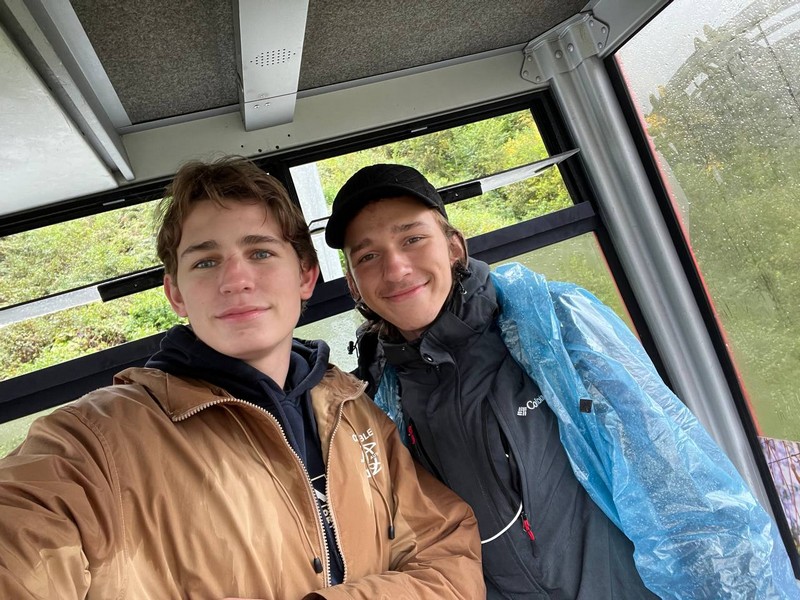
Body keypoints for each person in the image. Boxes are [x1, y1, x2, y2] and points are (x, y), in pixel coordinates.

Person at [0, 157, 485, 599]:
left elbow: (449, 554)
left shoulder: (354, 411)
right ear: (176, 294)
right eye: (205, 262)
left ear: (305, 276)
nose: (235, 280)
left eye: (260, 253)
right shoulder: (95, 443)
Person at [324, 163, 800, 599]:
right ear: (354, 284)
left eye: (412, 239)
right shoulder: (372, 398)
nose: (395, 268)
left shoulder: (551, 329)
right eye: (368, 256)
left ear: (453, 246)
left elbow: (675, 482)